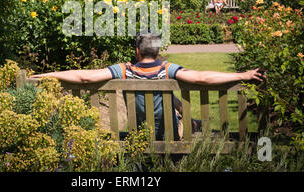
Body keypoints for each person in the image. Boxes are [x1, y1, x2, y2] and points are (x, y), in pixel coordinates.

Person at [31, 33, 265, 140]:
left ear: (137, 51)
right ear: (158, 52)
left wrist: (46, 74)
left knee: (166, 102)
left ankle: (193, 123)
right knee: (175, 107)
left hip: (139, 134)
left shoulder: (125, 69)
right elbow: (202, 78)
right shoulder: (167, 69)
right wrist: (242, 74)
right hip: (170, 134)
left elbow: (84, 78)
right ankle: (195, 124)